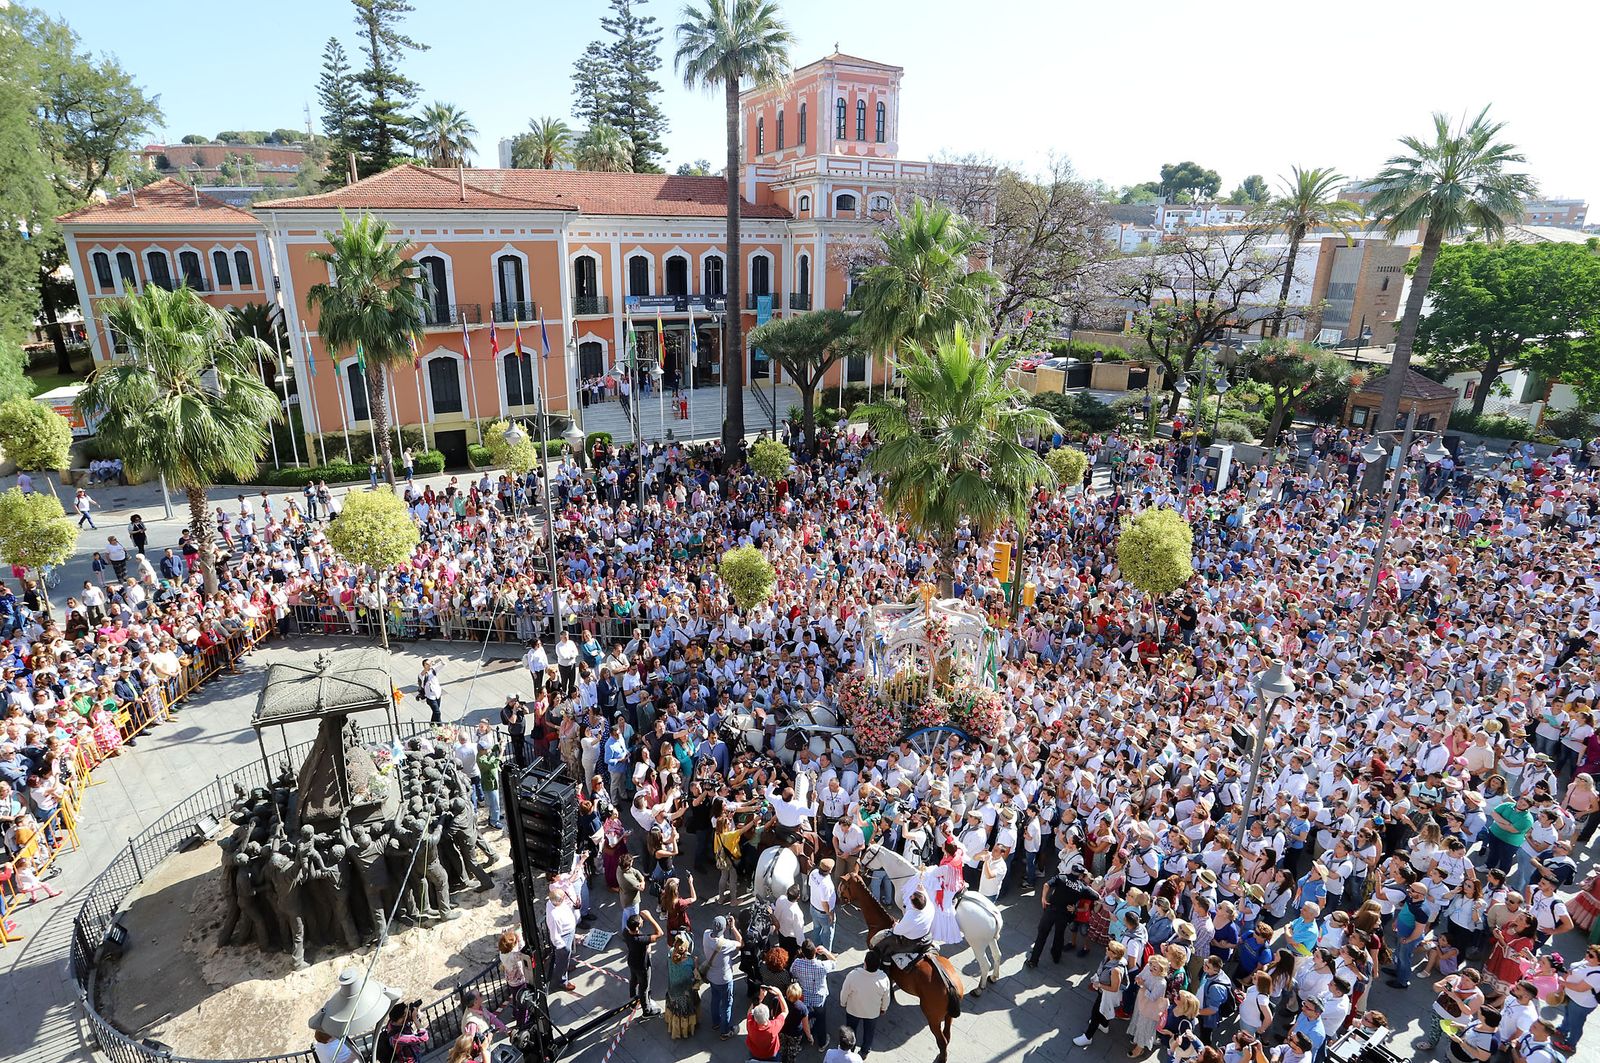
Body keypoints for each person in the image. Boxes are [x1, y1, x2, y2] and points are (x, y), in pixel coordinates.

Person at [1075, 940, 1127, 1047]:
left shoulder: (1116, 970)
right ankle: (1104, 1025)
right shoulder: (1108, 958)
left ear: (1114, 954)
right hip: (1102, 991)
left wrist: (1099, 985)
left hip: (1107, 994)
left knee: (1096, 1013)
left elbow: (1114, 988)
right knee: (1100, 1012)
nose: (1106, 949)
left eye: (1108, 948)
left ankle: (1088, 1037)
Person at [701, 915, 742, 1040]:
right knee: (726, 1005)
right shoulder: (724, 944)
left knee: (715, 999)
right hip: (724, 979)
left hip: (711, 976)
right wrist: (733, 927)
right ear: (724, 929)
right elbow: (741, 943)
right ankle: (725, 1032)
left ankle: (716, 1023)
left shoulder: (706, 934)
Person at [625, 908, 663, 1016]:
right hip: (642, 966)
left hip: (632, 961)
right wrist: (650, 918)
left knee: (633, 979)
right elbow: (660, 933)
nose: (642, 921)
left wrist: (646, 946)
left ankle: (633, 998)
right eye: (641, 922)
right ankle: (647, 1010)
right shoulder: (641, 939)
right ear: (637, 928)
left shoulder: (626, 933)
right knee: (644, 987)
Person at [664, 930, 700, 1038]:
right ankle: (684, 1031)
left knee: (675, 1010)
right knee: (684, 1012)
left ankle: (674, 1026)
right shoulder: (689, 962)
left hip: (672, 990)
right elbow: (694, 977)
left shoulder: (670, 953)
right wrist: (696, 964)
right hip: (685, 994)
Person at [746, 985, 788, 1062]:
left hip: (755, 1054)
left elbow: (749, 1012)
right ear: (768, 1016)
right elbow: (785, 1011)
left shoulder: (750, 1023)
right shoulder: (774, 1026)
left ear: (754, 1017)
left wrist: (760, 997)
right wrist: (780, 994)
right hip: (771, 1054)